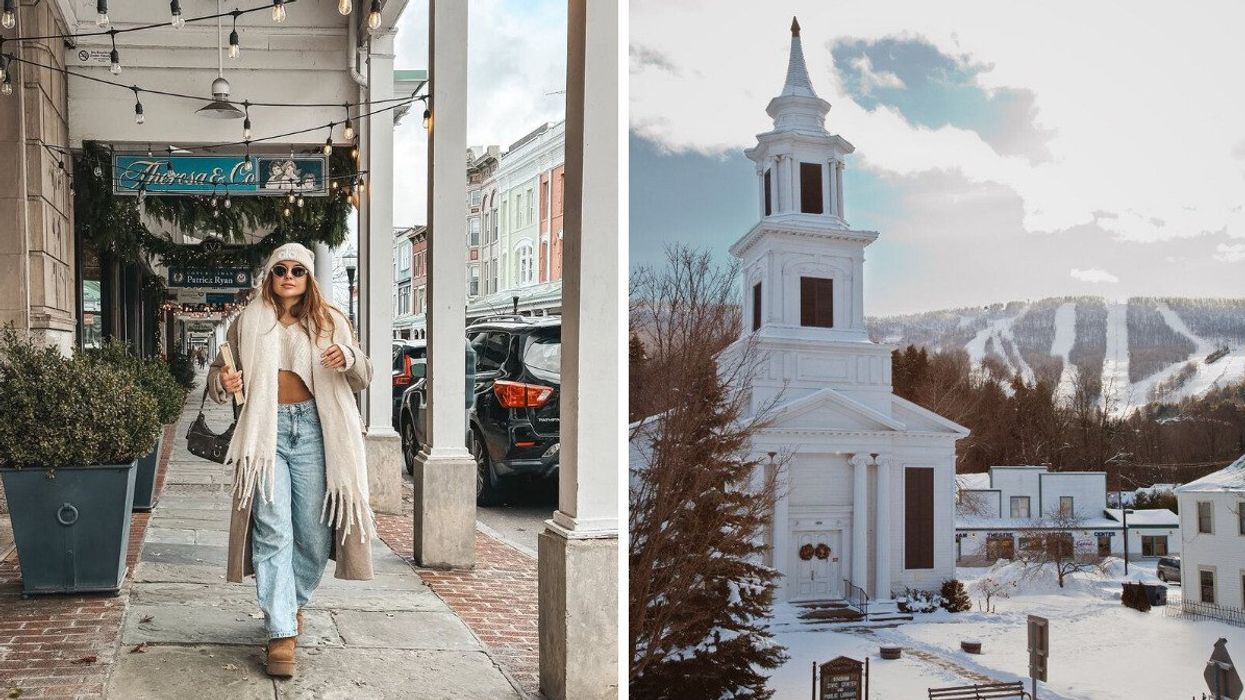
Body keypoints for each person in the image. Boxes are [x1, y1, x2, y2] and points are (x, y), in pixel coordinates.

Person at [206, 242, 375, 678]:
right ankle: (281, 631)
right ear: (270, 274)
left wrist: (349, 357)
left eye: (297, 269)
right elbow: (217, 375)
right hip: (266, 435)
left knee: (315, 536)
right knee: (272, 527)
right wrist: (223, 380)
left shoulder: (332, 321)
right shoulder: (248, 322)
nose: (288, 275)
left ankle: (291, 602)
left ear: (309, 277)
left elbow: (364, 374)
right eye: (280, 268)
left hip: (317, 433)